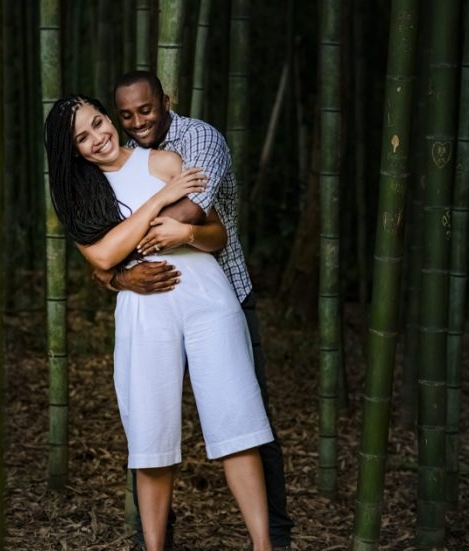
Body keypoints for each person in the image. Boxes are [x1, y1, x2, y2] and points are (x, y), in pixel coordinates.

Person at [44, 93, 275, 551]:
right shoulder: (82, 199)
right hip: (145, 312)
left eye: (98, 123)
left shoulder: (165, 161)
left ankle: (264, 546)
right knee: (151, 438)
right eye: (82, 138)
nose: (98, 138)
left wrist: (185, 231)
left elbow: (215, 234)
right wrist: (163, 202)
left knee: (238, 425)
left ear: (108, 117)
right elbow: (105, 255)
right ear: (73, 150)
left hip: (209, 299)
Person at [99, 70, 293, 550]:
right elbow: (97, 248)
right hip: (152, 304)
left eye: (146, 110)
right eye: (126, 115)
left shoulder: (200, 137)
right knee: (148, 427)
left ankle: (275, 540)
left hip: (222, 290)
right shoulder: (123, 161)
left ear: (167, 100)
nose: (137, 122)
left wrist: (124, 245)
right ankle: (153, 540)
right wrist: (117, 271)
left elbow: (193, 211)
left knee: (249, 421)